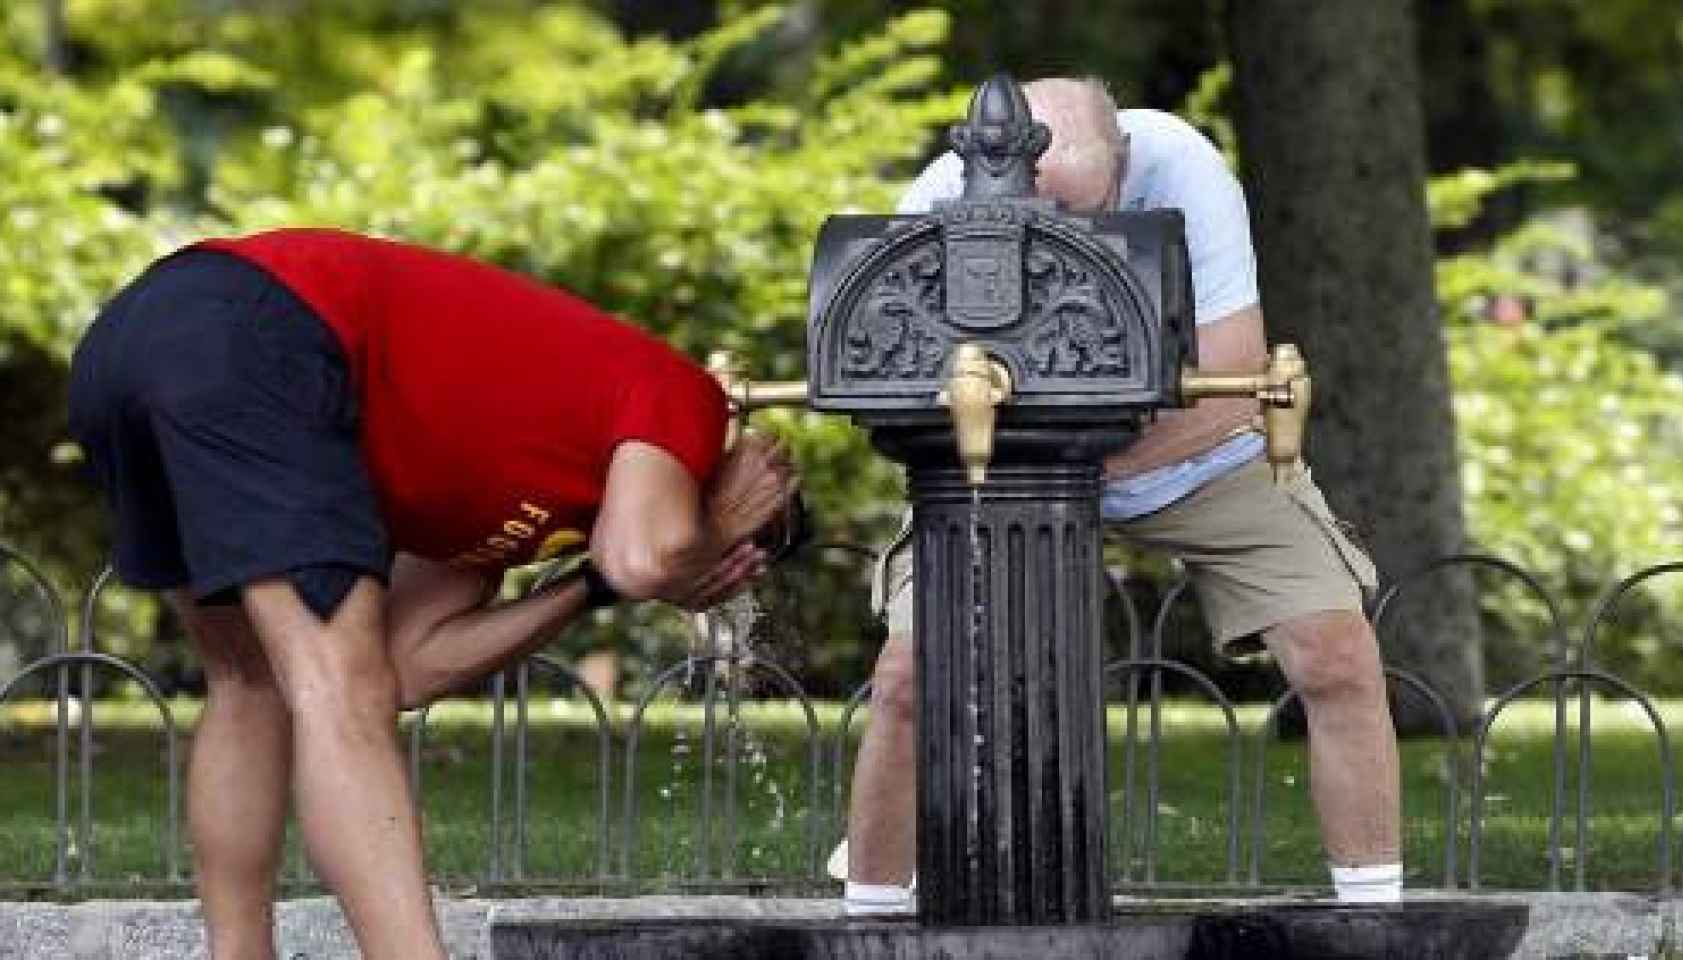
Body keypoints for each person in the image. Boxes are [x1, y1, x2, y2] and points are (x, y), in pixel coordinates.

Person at [68, 228, 796, 960]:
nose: (722, 581)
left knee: (250, 680)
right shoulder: (686, 397)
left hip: (138, 339)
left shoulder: (512, 514)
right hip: (262, 324)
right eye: (739, 560)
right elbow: (647, 558)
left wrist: (586, 588)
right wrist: (705, 539)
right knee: (334, 688)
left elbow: (408, 668)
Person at [836, 77, 1401, 911]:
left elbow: (1234, 378)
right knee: (911, 674)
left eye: (1081, 208)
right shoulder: (933, 201)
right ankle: (872, 912)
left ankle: (1374, 915)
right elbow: (898, 394)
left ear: (1123, 166)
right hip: (997, 477)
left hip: (1191, 459)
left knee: (1337, 652)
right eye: (1037, 205)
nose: (1058, 228)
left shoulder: (1183, 168)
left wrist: (1067, 452)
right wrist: (1030, 461)